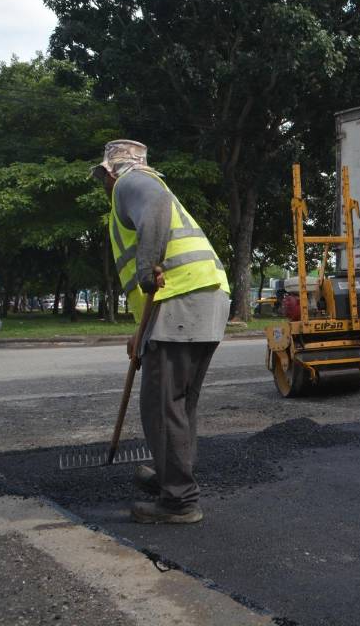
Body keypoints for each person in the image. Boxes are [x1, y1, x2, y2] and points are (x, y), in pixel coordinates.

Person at [91, 139, 230, 525]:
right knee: (179, 402)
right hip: (203, 296)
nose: (102, 184)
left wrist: (146, 265)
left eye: (101, 176)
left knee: (161, 403)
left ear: (108, 171)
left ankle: (179, 500)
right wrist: (143, 331)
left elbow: (155, 207)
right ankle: (171, 476)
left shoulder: (131, 183)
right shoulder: (147, 182)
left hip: (181, 297)